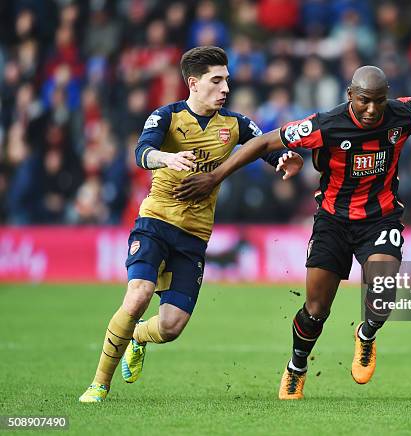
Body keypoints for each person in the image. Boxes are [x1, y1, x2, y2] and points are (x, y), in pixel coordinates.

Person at [174, 65, 411, 400]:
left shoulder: (401, 113)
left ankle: (367, 334)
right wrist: (216, 177)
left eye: (379, 102)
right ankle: (297, 367)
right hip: (333, 222)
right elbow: (264, 141)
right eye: (364, 101)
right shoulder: (325, 125)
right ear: (350, 96)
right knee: (316, 310)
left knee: (382, 295)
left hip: (380, 219)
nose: (372, 109)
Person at [78, 46, 303, 402]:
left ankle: (137, 336)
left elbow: (262, 144)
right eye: (217, 80)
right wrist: (167, 157)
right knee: (137, 295)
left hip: (195, 235)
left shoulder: (234, 124)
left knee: (170, 327)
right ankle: (99, 384)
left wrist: (283, 159)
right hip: (156, 220)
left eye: (227, 80)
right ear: (194, 84)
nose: (225, 88)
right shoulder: (166, 116)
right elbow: (142, 152)